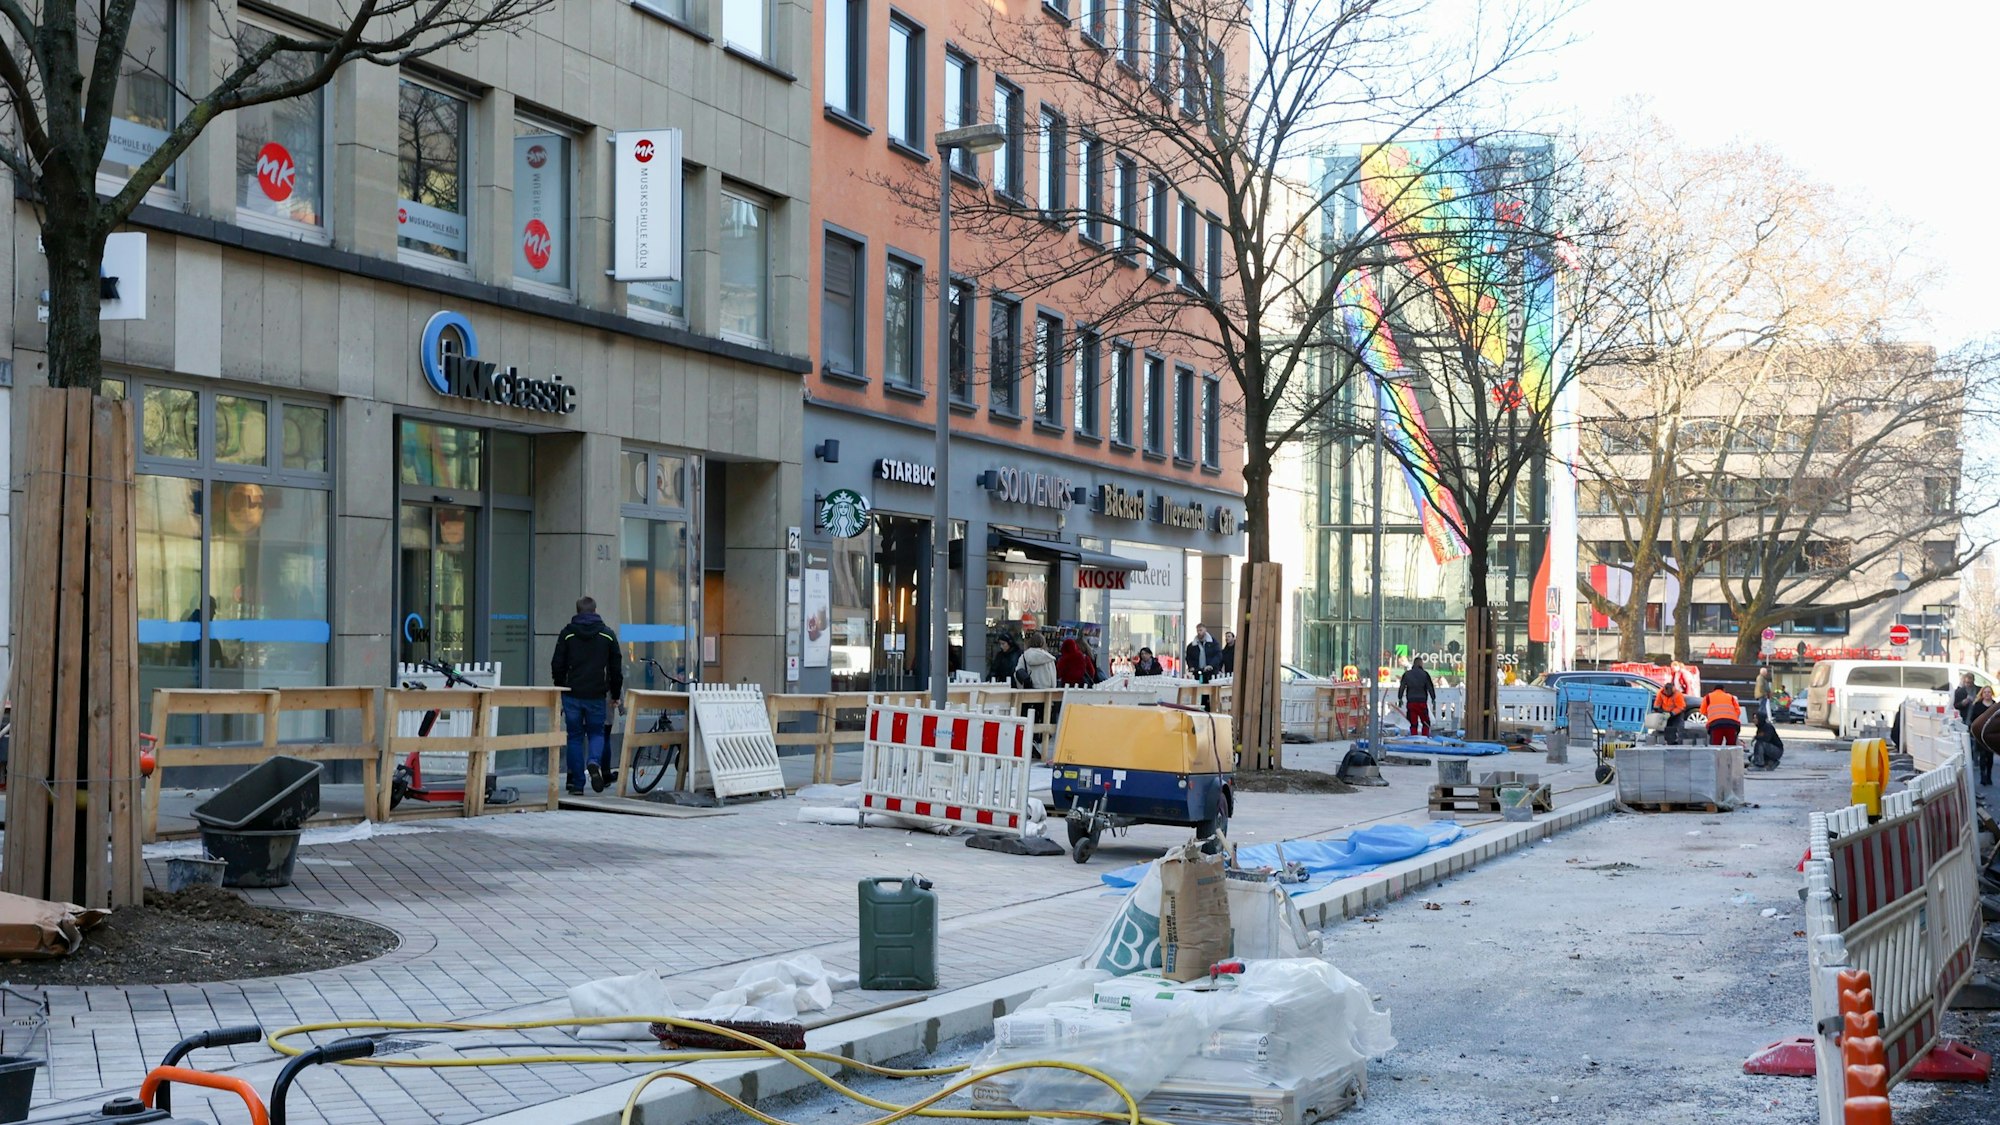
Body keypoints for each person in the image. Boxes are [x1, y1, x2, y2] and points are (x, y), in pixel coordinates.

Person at [551, 596, 623, 795]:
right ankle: (593, 762)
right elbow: (615, 667)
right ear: (595, 610)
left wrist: (560, 687)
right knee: (596, 733)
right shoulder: (607, 635)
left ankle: (577, 785)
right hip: (597, 694)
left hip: (572, 694)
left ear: (577, 610)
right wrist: (615, 694)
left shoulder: (567, 634)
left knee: (574, 737)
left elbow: (557, 664)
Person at [1397, 656, 1437, 736]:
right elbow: (1430, 687)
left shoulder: (1407, 674)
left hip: (1411, 702)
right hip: (1422, 701)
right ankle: (1425, 737)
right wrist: (1433, 698)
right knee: (1425, 722)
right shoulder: (1425, 674)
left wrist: (1400, 698)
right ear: (1421, 664)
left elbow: (1402, 687)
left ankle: (1414, 737)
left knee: (1413, 722)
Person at [1968, 686, 1996, 785]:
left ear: (1992, 693)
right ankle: (1982, 776)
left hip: (1992, 735)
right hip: (1980, 735)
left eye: (1989, 692)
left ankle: (1989, 775)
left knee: (1990, 756)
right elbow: (1973, 719)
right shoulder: (1978, 705)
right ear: (1982, 694)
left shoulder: (1995, 705)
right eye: (1985, 692)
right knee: (1982, 755)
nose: (1987, 694)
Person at [1654, 679, 1695, 745]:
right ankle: (1669, 741)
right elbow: (1657, 703)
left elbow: (1681, 707)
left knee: (1678, 728)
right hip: (1666, 713)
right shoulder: (1661, 693)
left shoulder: (1677, 695)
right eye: (1666, 692)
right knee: (1667, 728)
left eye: (1669, 693)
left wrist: (1671, 713)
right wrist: (1658, 710)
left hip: (1677, 714)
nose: (1667, 694)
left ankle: (1679, 742)